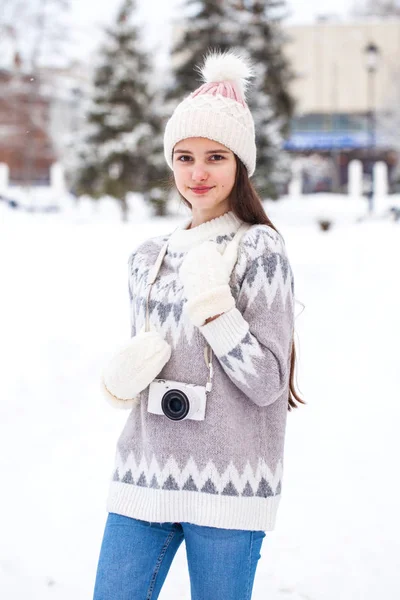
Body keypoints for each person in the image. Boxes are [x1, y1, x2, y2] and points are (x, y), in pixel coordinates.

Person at [93, 50, 304, 600]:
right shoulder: (148, 257)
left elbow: (266, 382)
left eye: (215, 156)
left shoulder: (260, 250)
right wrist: (120, 378)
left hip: (229, 487)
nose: (198, 172)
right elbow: (149, 362)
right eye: (184, 157)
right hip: (143, 477)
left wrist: (215, 308)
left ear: (240, 163)